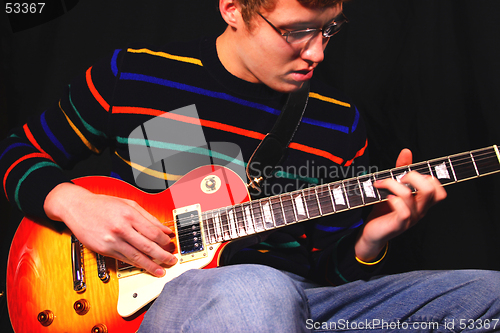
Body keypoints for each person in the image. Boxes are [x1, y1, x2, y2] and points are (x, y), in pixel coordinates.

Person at [1, 0, 499, 332]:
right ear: (233, 8)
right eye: (298, 31)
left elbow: (330, 272)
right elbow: (15, 152)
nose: (318, 52)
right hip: (168, 302)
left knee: (490, 293)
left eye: (330, 28)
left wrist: (374, 240)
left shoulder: (338, 124)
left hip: (308, 305)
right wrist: (72, 201)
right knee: (254, 286)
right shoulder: (135, 77)